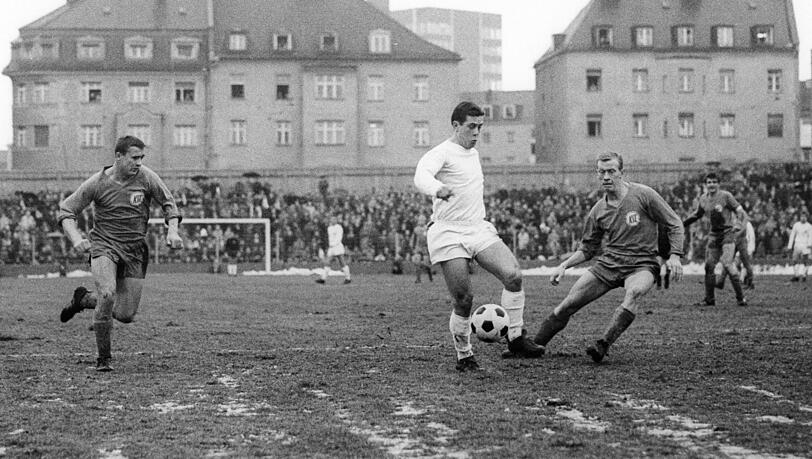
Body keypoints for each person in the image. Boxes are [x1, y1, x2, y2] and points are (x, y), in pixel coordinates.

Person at [414, 101, 544, 372]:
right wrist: (437, 189)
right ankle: (464, 354)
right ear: (456, 126)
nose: (476, 133)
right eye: (471, 127)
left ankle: (516, 338)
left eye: (480, 127)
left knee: (514, 276)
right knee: (463, 298)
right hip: (448, 230)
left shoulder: (473, 154)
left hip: (477, 227)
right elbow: (421, 175)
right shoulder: (442, 152)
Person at [531, 152, 684, 363]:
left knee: (635, 292)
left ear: (622, 172)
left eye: (611, 171)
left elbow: (674, 223)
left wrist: (675, 256)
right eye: (602, 172)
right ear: (597, 174)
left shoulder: (644, 195)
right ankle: (535, 345)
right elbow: (587, 249)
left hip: (642, 264)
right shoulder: (598, 211)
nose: (606, 176)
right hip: (609, 264)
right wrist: (564, 265)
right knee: (568, 304)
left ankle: (603, 344)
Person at [57, 135, 183, 371]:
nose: (139, 162)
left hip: (135, 250)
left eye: (142, 158)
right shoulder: (97, 183)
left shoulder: (147, 177)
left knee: (125, 314)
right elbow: (66, 210)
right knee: (107, 293)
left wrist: (173, 231)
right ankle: (104, 359)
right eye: (135, 157)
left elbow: (169, 204)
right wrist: (76, 238)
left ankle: (83, 300)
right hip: (104, 245)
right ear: (118, 156)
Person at [683, 172, 749, 306]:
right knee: (708, 266)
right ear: (705, 185)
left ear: (718, 184)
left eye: (714, 182)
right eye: (709, 182)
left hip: (727, 234)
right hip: (713, 235)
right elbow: (697, 215)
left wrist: (738, 224)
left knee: (727, 264)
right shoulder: (703, 199)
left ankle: (741, 298)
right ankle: (709, 299)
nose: (711, 184)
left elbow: (740, 212)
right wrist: (682, 223)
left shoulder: (726, 196)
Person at [715, 217, 755, 290]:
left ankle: (750, 283)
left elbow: (751, 238)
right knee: (728, 262)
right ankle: (721, 282)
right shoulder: (733, 222)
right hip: (734, 244)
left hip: (743, 245)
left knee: (746, 264)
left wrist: (750, 249)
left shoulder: (747, 224)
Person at [316, 215, 351, 284]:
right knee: (328, 261)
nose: (332, 221)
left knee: (342, 261)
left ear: (336, 220)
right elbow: (330, 238)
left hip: (337, 246)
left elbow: (339, 237)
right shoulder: (329, 228)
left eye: (334, 219)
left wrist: (334, 244)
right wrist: (330, 245)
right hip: (332, 247)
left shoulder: (339, 227)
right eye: (331, 219)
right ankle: (323, 278)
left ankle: (348, 278)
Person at [786, 211, 812, 282]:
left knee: (806, 261)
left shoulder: (809, 226)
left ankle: (804, 275)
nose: (803, 218)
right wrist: (789, 246)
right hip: (797, 245)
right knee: (794, 260)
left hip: (806, 246)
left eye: (804, 217)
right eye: (802, 216)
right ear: (800, 217)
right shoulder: (796, 225)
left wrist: (810, 245)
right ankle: (796, 275)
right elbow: (792, 236)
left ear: (806, 218)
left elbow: (810, 236)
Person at [411, 214, 433, 283]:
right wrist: (412, 247)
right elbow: (413, 239)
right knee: (417, 263)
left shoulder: (427, 228)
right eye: (420, 220)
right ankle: (418, 279)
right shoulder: (416, 229)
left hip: (425, 248)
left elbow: (430, 238)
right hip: (418, 248)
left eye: (422, 220)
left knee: (426, 264)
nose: (421, 221)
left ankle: (430, 277)